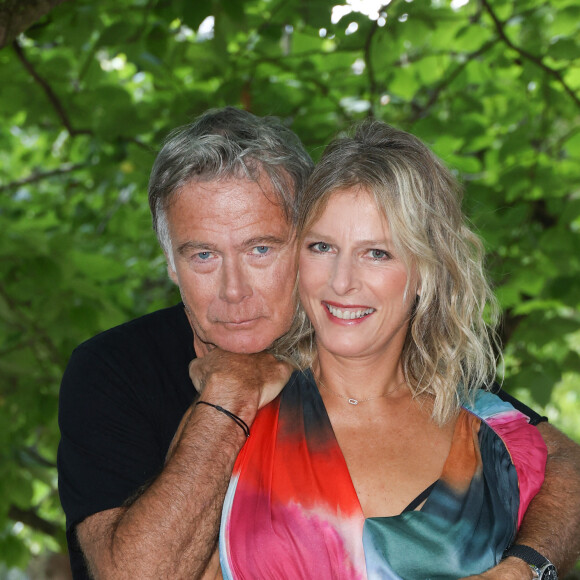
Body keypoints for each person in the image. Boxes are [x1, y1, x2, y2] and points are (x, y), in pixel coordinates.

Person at [57, 107, 580, 579]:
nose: (234, 290)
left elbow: (560, 460)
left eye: (261, 249)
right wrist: (229, 396)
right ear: (170, 261)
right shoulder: (114, 367)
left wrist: (527, 566)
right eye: (202, 257)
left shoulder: (406, 366)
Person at [217, 120, 548, 578]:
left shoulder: (498, 438)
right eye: (322, 247)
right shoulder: (235, 411)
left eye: (377, 253)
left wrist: (528, 567)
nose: (341, 281)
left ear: (427, 271)